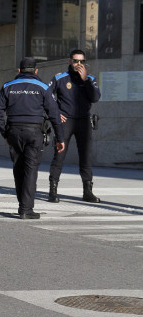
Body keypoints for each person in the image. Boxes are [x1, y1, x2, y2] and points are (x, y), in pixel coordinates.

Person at [0, 57, 65, 220]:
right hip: (34, 132)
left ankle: (22, 204)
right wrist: (60, 138)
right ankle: (26, 209)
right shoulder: (43, 87)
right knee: (30, 169)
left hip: (14, 131)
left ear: (19, 71)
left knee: (18, 168)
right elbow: (54, 114)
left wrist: (5, 133)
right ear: (36, 71)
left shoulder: (7, 86)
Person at [47, 49, 102, 203]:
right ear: (70, 61)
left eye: (82, 61)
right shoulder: (60, 78)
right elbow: (47, 97)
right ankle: (53, 190)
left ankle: (87, 191)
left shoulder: (90, 79)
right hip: (66, 121)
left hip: (84, 121)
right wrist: (56, 112)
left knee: (86, 156)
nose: (79, 64)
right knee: (59, 154)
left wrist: (85, 80)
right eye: (76, 61)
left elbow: (96, 97)